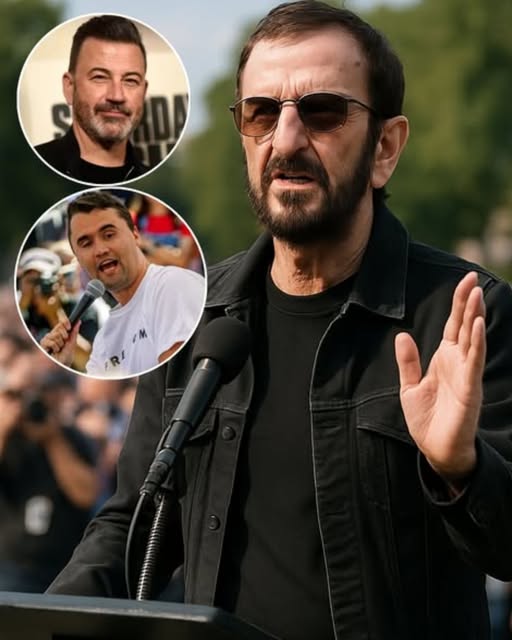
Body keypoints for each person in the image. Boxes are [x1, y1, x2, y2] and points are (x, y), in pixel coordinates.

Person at [47, 2, 512, 639]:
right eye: (262, 113)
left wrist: (460, 470)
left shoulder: (466, 317)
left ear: (385, 147)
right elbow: (134, 522)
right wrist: (46, 618)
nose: (286, 140)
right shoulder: (194, 317)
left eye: (322, 112)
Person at [40, 191, 205, 378]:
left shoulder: (172, 287)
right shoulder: (104, 340)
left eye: (109, 235)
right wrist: (61, 366)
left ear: (135, 235)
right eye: (86, 244)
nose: (101, 250)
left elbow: (175, 383)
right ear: (78, 259)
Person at [0, 363, 98, 592]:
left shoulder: (71, 438)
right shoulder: (7, 441)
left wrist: (53, 440)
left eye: (36, 392)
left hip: (63, 567)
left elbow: (86, 495)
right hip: (9, 566)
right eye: (16, 395)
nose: (26, 403)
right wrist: (3, 429)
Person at [34, 15, 150, 184]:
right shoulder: (30, 170)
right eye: (100, 77)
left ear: (144, 92)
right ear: (69, 87)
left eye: (130, 80)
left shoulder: (154, 181)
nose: (116, 96)